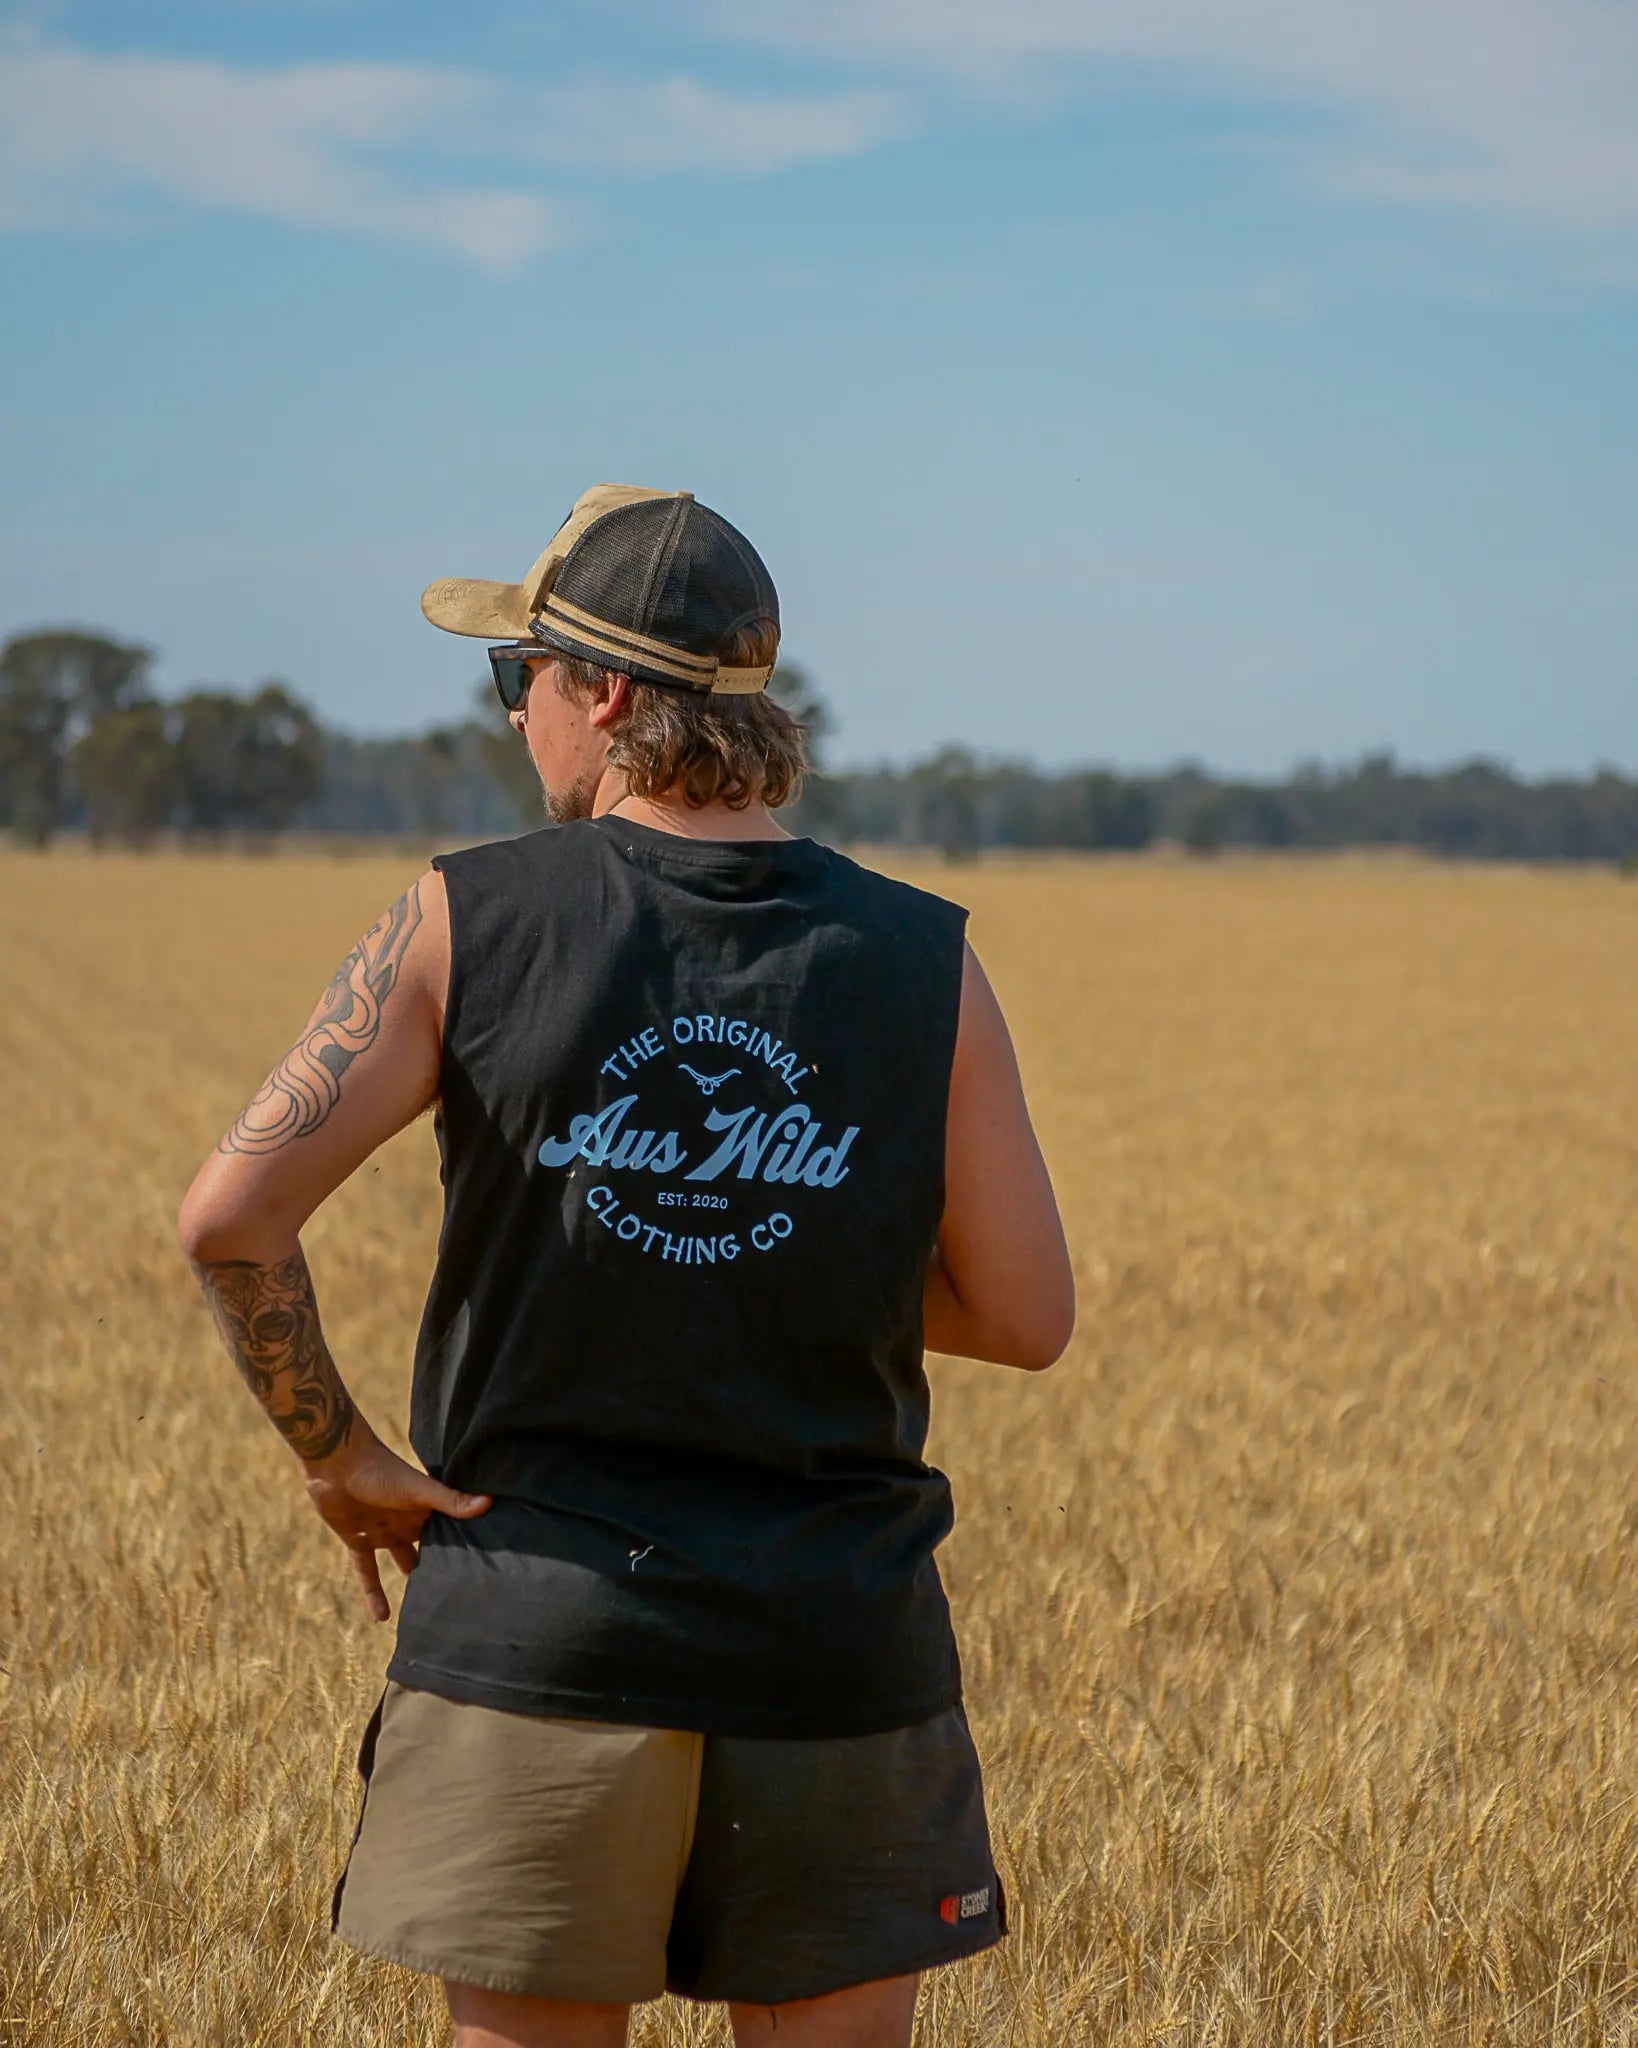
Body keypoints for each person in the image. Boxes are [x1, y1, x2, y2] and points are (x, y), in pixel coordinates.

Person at [177, 484, 1075, 2048]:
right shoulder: (924, 958)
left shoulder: (469, 918)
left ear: (598, 692)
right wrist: (777, 1263)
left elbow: (227, 1218)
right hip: (834, 1657)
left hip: (537, 1640)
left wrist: (341, 1457)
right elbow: (1023, 1314)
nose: (511, 716)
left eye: (511, 677)